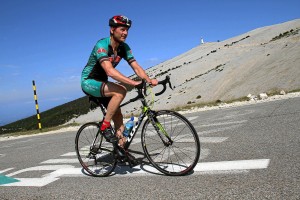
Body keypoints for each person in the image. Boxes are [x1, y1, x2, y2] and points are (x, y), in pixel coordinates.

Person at [81, 15, 158, 155]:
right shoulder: (102, 45)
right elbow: (110, 71)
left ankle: (121, 150)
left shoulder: (124, 47)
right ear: (112, 30)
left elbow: (136, 67)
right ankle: (104, 127)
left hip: (103, 84)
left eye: (127, 30)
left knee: (119, 117)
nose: (125, 33)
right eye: (122, 29)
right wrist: (134, 82)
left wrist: (147, 79)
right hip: (89, 81)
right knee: (121, 91)